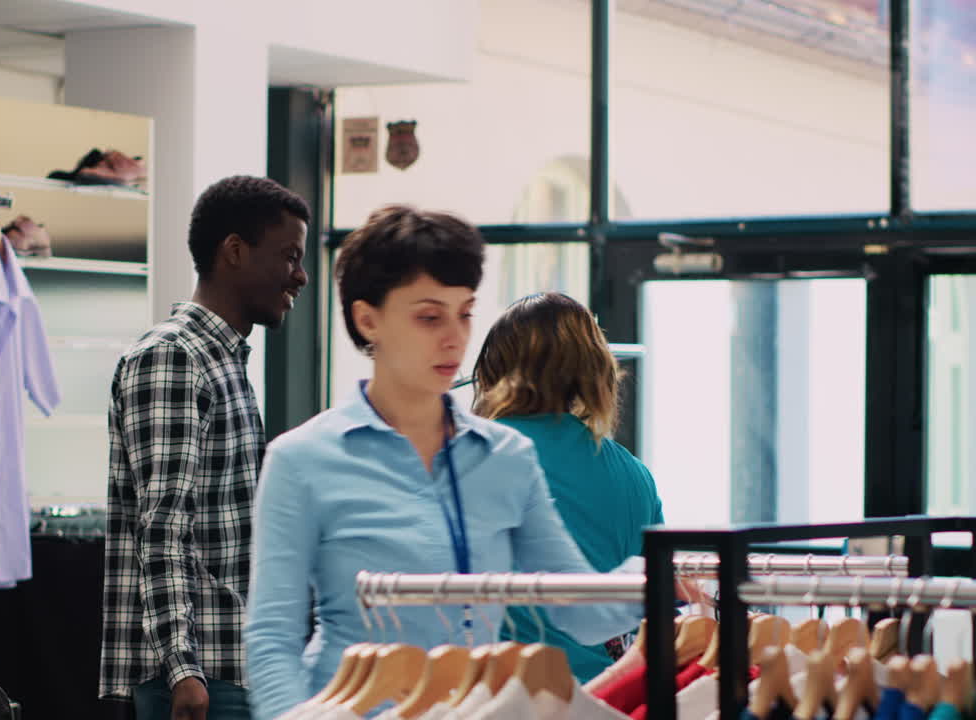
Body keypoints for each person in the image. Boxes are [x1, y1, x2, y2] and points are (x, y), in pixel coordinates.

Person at [244, 205, 651, 720]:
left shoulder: (506, 456)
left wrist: (656, 576)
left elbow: (580, 613)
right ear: (367, 319)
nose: (455, 338)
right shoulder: (301, 459)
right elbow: (272, 638)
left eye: (465, 313)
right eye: (429, 317)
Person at [101, 176, 311, 720]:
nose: (301, 275)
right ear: (235, 251)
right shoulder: (174, 357)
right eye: (290, 256)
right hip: (200, 677)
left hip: (233, 665)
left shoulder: (222, 361)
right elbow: (163, 527)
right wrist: (182, 669)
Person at [472, 291, 665, 684]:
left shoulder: (476, 456)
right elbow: (652, 593)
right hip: (604, 693)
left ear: (493, 367)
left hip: (506, 688)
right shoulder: (635, 476)